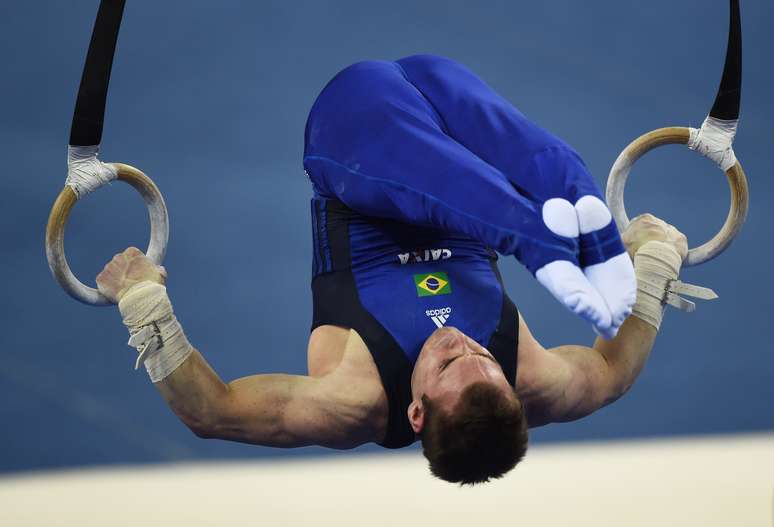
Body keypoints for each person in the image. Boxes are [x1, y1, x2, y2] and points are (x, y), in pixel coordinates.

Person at [96, 55, 688, 485]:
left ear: (415, 410)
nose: (463, 343)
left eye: (451, 362)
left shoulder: (352, 402)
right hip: (446, 107)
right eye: (485, 359)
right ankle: (576, 230)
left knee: (473, 195)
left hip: (358, 140)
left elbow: (211, 412)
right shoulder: (527, 380)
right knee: (545, 166)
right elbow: (610, 375)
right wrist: (656, 267)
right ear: (510, 392)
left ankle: (553, 242)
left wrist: (145, 303)